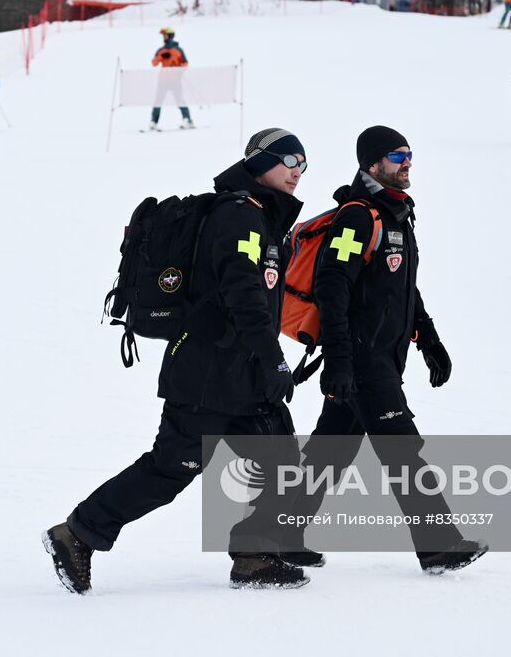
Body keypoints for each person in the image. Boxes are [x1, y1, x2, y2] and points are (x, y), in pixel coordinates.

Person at [44, 128, 313, 593]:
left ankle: (253, 556)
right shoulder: (238, 216)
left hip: (240, 371)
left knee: (281, 456)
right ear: (258, 162)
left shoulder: (263, 218)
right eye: (288, 159)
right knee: (171, 468)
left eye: (303, 164)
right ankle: (78, 533)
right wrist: (274, 359)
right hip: (208, 373)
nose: (297, 171)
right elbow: (242, 293)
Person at [291, 126, 488, 574]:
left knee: (329, 452)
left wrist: (429, 340)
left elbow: (403, 291)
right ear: (373, 164)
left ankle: (277, 532)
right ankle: (438, 544)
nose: (407, 162)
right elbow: (332, 288)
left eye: (409, 154)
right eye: (398, 155)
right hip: (361, 360)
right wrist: (339, 359)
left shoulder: (397, 216)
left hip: (382, 358)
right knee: (402, 450)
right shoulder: (358, 217)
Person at [149, 27, 195, 131]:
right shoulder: (161, 50)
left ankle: (187, 119)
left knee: (180, 100)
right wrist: (161, 57)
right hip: (163, 81)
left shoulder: (178, 50)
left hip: (175, 81)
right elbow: (154, 63)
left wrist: (179, 70)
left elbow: (185, 63)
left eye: (165, 35)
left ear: (170, 36)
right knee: (158, 101)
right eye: (163, 36)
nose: (163, 38)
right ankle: (153, 121)